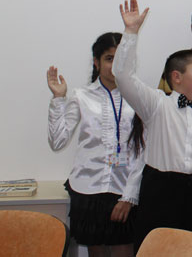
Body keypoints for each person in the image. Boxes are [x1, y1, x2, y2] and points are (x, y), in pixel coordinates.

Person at [113, 0, 192, 250]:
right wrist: (131, 32)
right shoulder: (156, 105)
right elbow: (123, 77)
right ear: (176, 77)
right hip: (160, 192)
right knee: (157, 251)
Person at [47, 32, 145, 257]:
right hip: (88, 188)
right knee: (96, 253)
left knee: (124, 251)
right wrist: (58, 99)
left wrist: (129, 197)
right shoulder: (81, 96)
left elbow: (144, 151)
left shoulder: (140, 97)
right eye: (109, 58)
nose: (115, 65)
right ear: (96, 62)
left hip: (125, 189)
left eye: (121, 59)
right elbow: (57, 141)